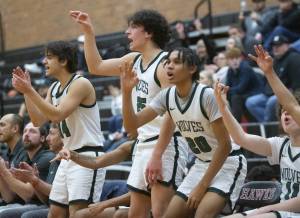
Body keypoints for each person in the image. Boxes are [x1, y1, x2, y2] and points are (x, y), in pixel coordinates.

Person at [69, 9, 189, 218]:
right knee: (136, 214)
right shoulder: (133, 60)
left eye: (133, 27)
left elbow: (173, 114)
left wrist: (158, 155)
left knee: (161, 213)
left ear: (149, 33)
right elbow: (96, 66)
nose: (127, 32)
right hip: (143, 142)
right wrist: (88, 32)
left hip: (166, 143)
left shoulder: (164, 65)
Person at [121, 47, 246, 218]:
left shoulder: (207, 95)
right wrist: (127, 93)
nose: (169, 66)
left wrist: (201, 186)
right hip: (202, 163)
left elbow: (225, 146)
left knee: (201, 215)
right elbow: (131, 125)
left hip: (228, 163)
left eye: (177, 62)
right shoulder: (167, 96)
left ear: (192, 68)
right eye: (168, 62)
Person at [11, 40, 106, 218]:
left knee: (78, 214)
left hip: (87, 156)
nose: (44, 62)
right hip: (67, 157)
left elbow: (57, 115)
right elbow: (38, 120)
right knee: (55, 213)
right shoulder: (54, 88)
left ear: (63, 61)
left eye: (49, 57)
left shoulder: (80, 83)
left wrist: (30, 90)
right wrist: (26, 92)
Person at [214, 46, 300, 217]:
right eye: (282, 111)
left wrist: (269, 73)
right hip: (281, 211)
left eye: (290, 110)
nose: (285, 113)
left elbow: (290, 103)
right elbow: (241, 138)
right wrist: (223, 107)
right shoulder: (281, 145)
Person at [52, 139, 136, 218]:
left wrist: (104, 204)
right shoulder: (131, 145)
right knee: (78, 215)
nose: (124, 125)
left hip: (145, 204)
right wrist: (72, 154)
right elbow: (96, 162)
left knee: (120, 214)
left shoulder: (146, 149)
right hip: (139, 200)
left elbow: (139, 194)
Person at [0, 122, 55, 217]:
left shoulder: (46, 157)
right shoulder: (25, 158)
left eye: (32, 131)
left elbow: (28, 195)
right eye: (25, 131)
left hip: (43, 205)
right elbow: (9, 198)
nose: (26, 134)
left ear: (42, 138)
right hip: (28, 204)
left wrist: (4, 172)